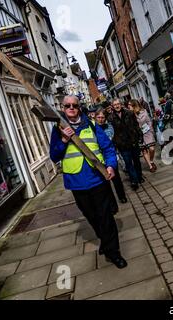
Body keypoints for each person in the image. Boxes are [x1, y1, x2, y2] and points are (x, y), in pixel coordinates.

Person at [49, 96, 127, 269]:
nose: (71, 108)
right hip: (76, 182)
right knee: (92, 217)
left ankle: (113, 252)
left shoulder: (91, 125)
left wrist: (111, 166)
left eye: (74, 105)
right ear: (62, 107)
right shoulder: (57, 129)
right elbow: (54, 156)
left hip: (98, 179)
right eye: (67, 105)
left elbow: (107, 148)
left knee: (106, 216)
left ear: (79, 107)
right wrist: (63, 140)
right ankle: (106, 241)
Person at [108, 98, 144, 190]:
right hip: (122, 145)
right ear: (112, 106)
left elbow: (136, 125)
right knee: (128, 163)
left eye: (118, 104)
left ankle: (139, 176)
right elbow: (112, 132)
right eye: (115, 104)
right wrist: (115, 143)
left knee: (136, 161)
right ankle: (134, 181)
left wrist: (140, 137)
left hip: (133, 141)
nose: (117, 106)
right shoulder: (111, 118)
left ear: (121, 104)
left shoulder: (130, 113)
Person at [95, 108, 127, 204]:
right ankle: (111, 202)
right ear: (95, 118)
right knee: (105, 183)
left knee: (116, 179)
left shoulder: (109, 127)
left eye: (102, 117)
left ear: (105, 118)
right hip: (99, 159)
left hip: (110, 156)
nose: (100, 119)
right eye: (98, 117)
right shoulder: (92, 128)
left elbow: (110, 139)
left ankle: (122, 196)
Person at [130, 99, 157, 173]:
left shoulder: (144, 111)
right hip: (138, 135)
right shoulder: (130, 115)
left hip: (147, 132)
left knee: (152, 148)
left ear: (134, 105)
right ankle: (150, 166)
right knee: (144, 150)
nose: (128, 106)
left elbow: (149, 121)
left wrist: (152, 131)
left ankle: (151, 161)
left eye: (130, 105)